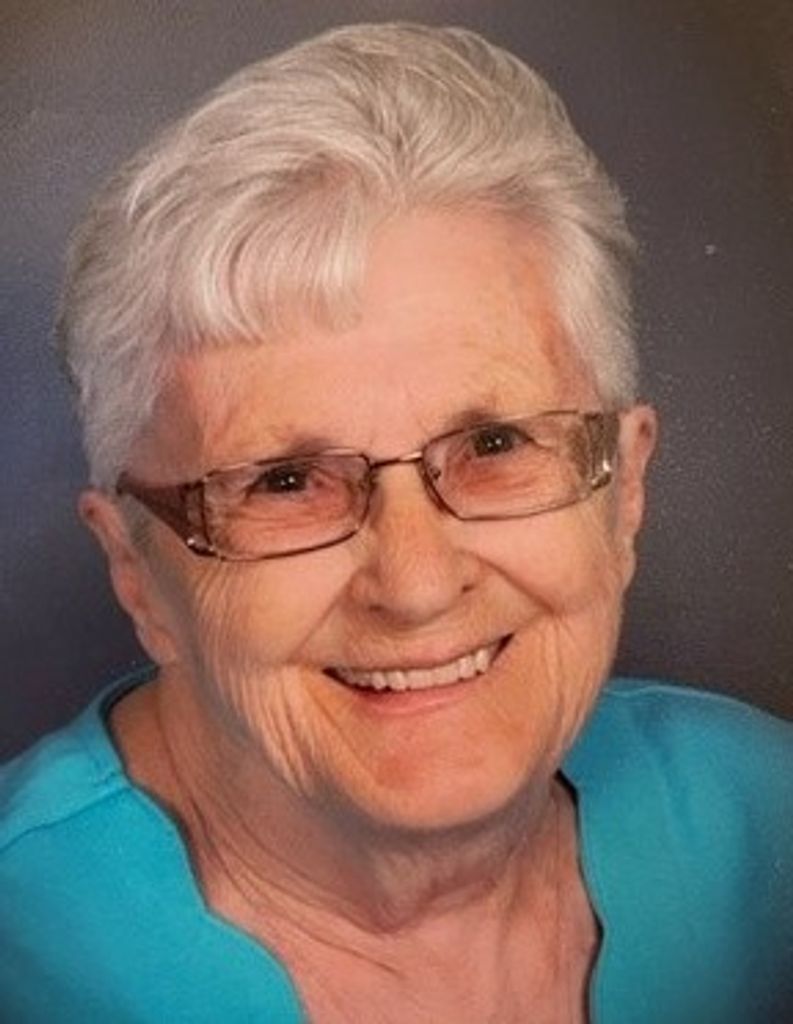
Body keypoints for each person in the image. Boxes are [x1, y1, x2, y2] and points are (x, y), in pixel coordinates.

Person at [1, 22, 791, 1024]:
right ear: (135, 572)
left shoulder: (764, 820)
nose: (415, 586)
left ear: (623, 489)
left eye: (495, 443)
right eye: (287, 480)